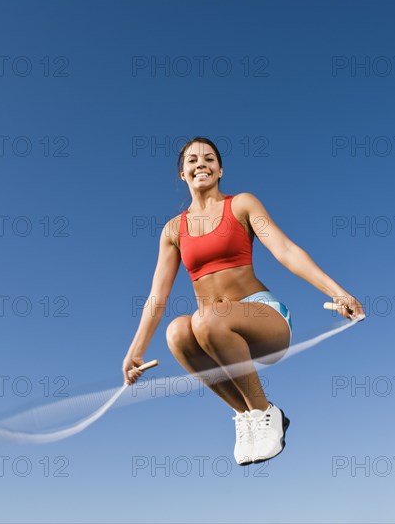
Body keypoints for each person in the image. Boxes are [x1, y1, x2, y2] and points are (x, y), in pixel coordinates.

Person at [122, 136, 364, 465]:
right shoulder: (172, 231)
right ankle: (247, 415)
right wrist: (135, 352)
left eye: (208, 159)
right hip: (216, 330)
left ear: (220, 169)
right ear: (182, 174)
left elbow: (286, 250)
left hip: (266, 319)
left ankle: (266, 411)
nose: (200, 165)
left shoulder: (242, 205)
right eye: (191, 161)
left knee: (205, 318)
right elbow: (157, 296)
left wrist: (337, 292)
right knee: (177, 331)